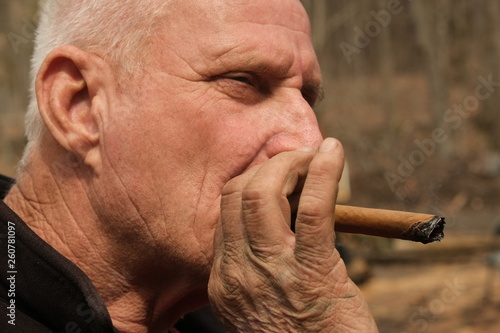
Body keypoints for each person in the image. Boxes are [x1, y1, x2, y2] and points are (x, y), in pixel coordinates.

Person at [0, 0, 378, 332]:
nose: (309, 143)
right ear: (78, 107)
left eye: (307, 97)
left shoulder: (245, 314)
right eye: (244, 81)